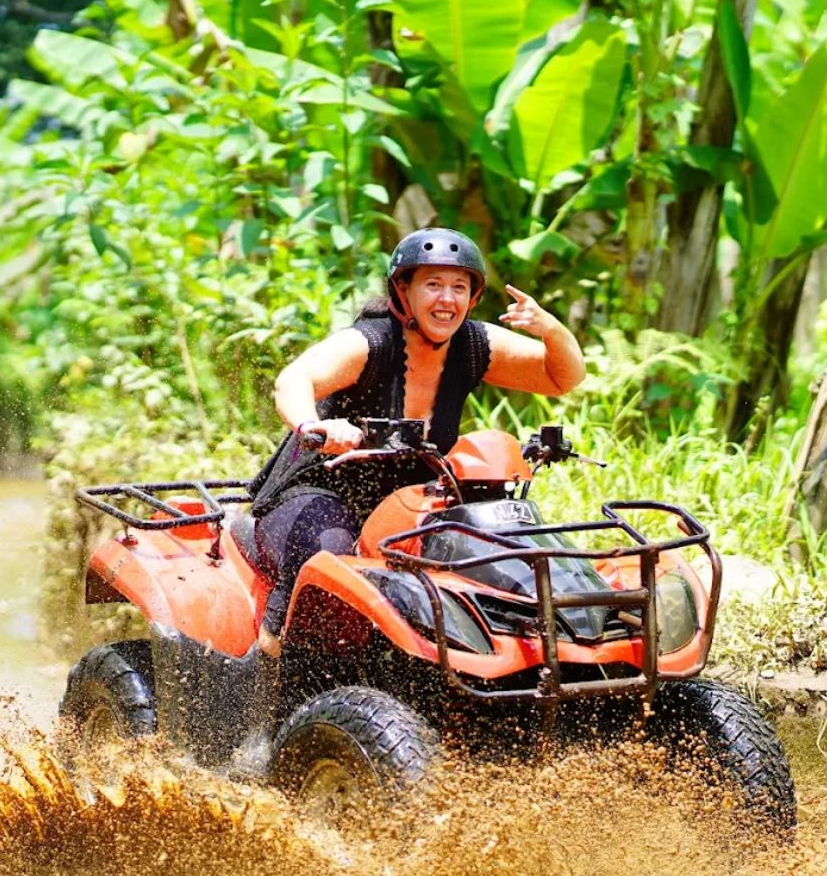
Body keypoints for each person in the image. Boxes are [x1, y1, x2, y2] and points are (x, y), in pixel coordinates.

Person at [229, 227, 584, 770]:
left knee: (475, 564)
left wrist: (550, 328)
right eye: (433, 285)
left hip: (407, 499)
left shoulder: (474, 344)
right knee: (329, 559)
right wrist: (316, 426)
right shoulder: (368, 343)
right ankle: (262, 718)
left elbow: (562, 377)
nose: (447, 299)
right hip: (318, 490)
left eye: (460, 287)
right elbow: (293, 379)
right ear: (404, 292)